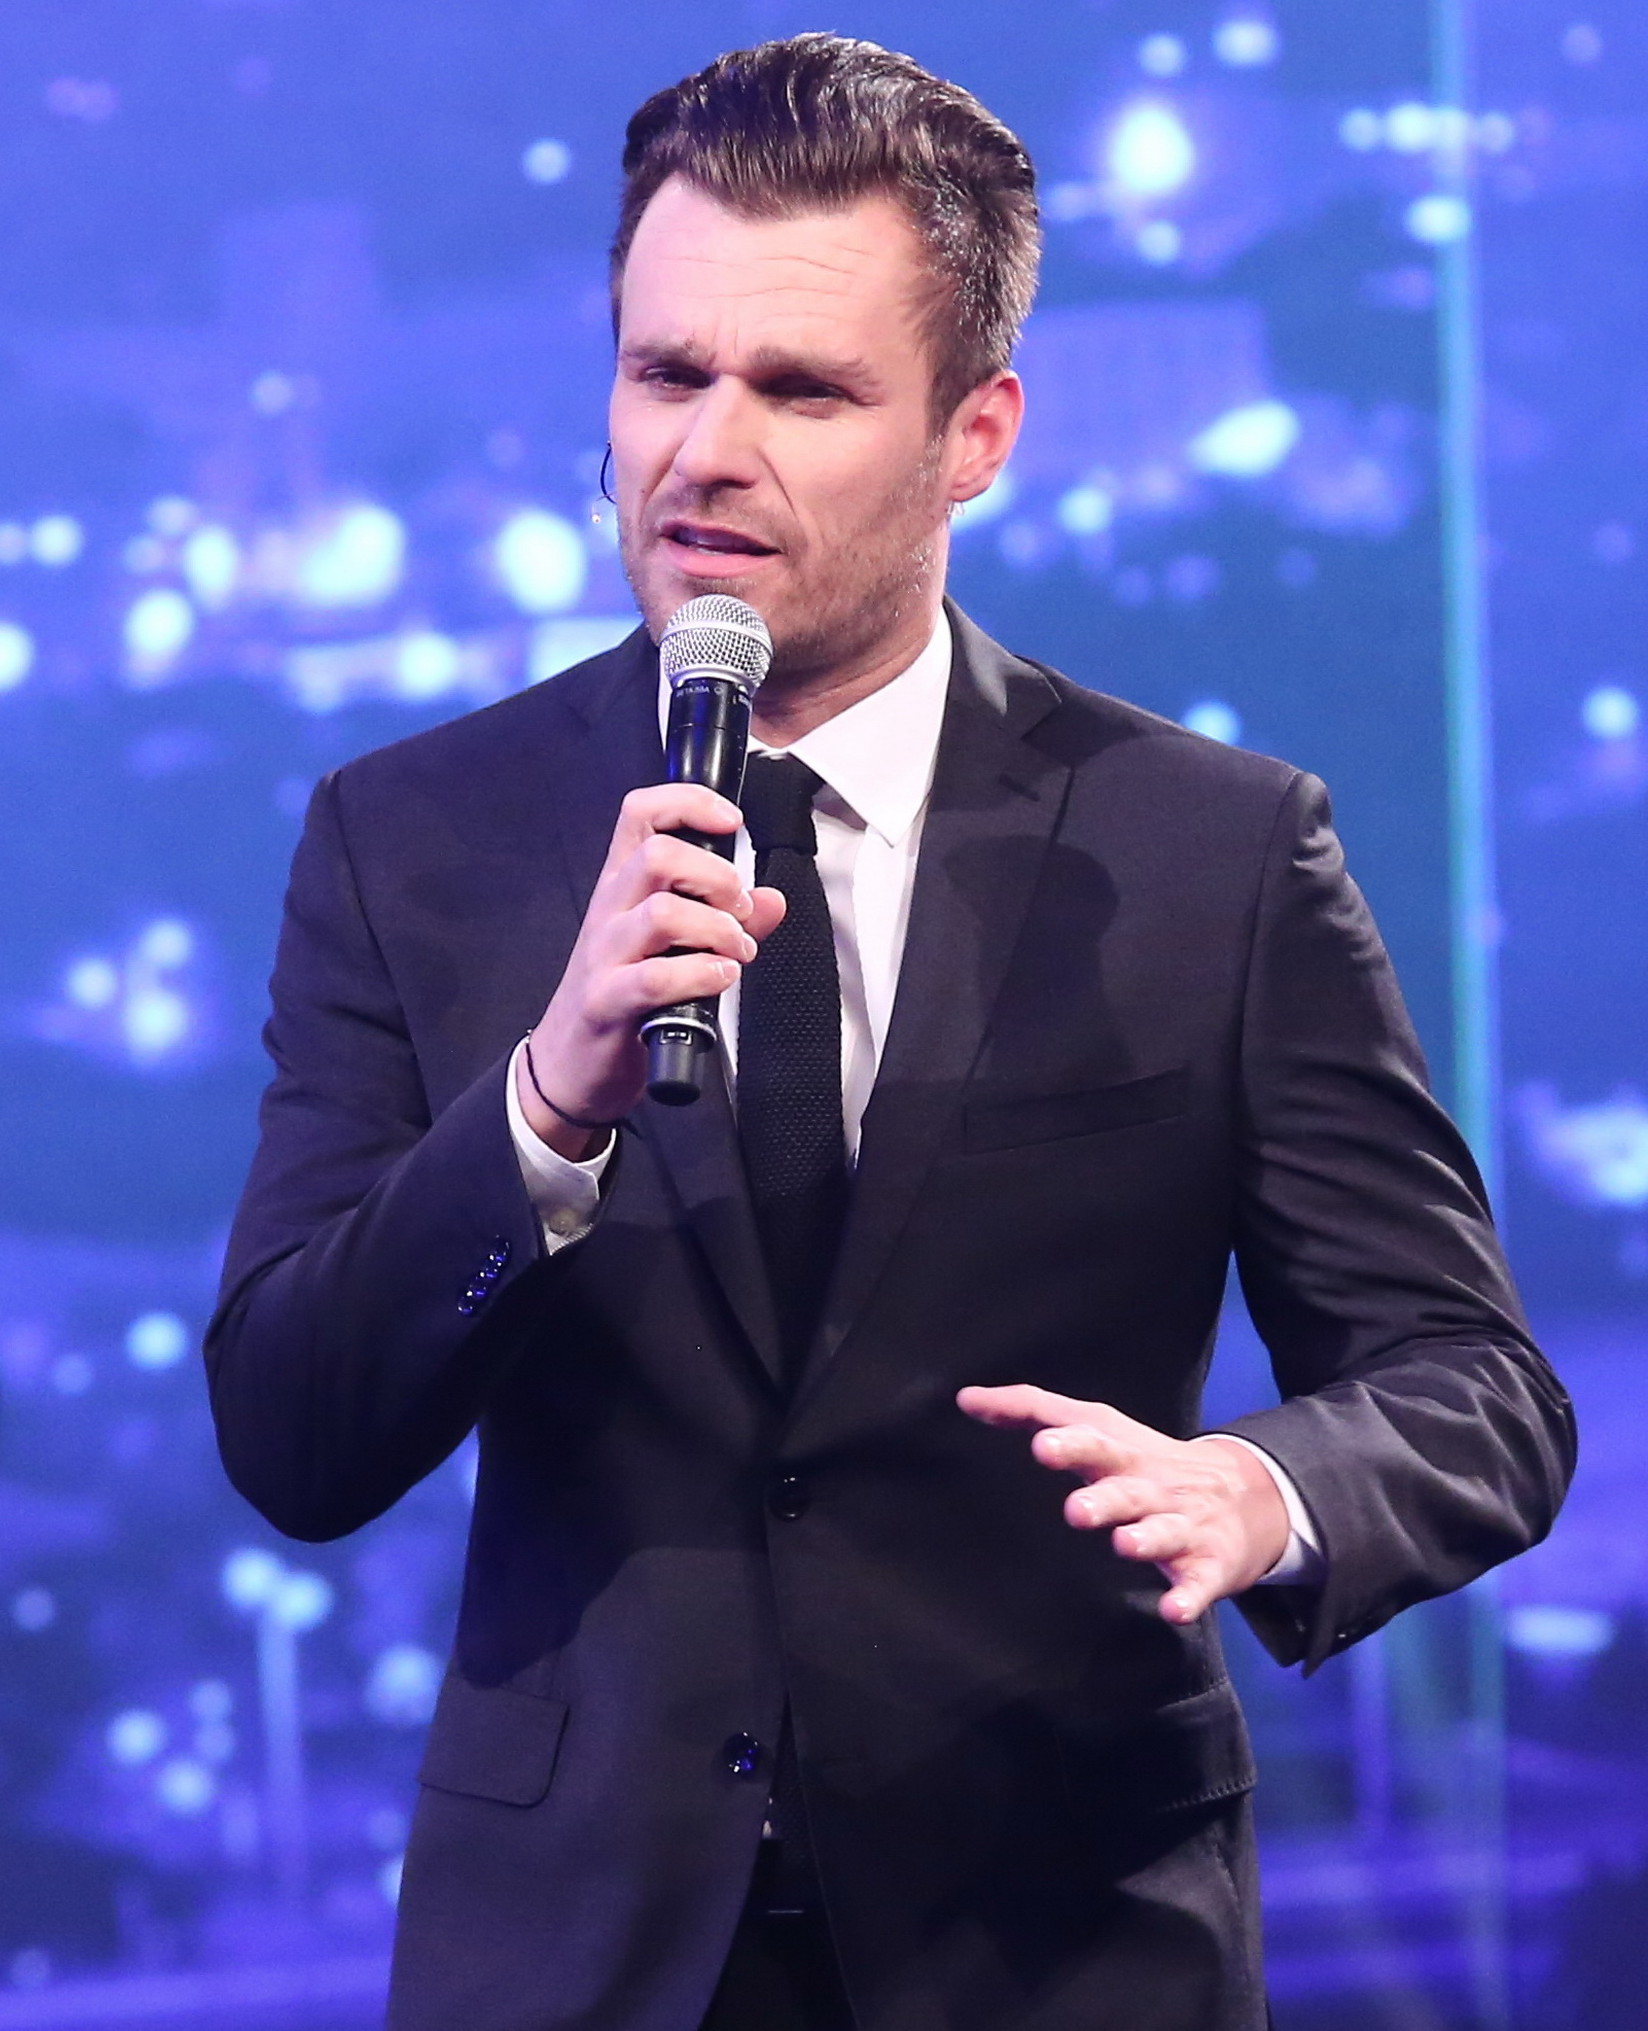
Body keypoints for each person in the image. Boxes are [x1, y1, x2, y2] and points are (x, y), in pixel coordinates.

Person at [205, 34, 1575, 2031]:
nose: (703, 451)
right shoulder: (412, 840)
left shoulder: (1208, 853)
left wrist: (1261, 1486)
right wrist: (546, 1105)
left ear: (976, 432)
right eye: (664, 373)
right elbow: (292, 1430)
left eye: (802, 390)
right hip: (583, 1955)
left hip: (1057, 1943)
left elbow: (1474, 1388)